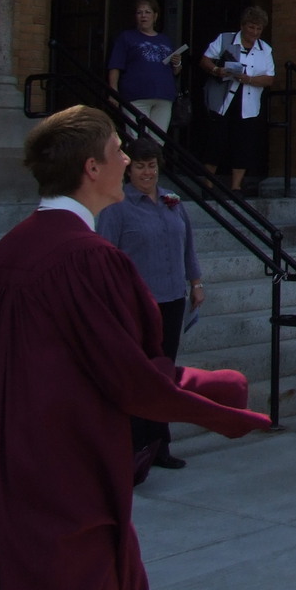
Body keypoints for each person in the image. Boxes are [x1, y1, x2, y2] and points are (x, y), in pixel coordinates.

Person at [0, 105, 271, 590]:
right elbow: (126, 374)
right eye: (119, 150)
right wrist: (214, 399)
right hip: (67, 484)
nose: (129, 160)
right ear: (91, 168)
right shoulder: (87, 260)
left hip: (12, 476)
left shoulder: (4, 256)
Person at [96, 136, 205, 470]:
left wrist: (195, 281)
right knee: (138, 375)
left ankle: (159, 445)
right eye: (141, 166)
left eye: (152, 165)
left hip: (172, 298)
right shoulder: (117, 207)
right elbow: (104, 255)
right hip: (137, 304)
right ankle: (132, 446)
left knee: (163, 375)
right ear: (129, 170)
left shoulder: (172, 202)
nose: (147, 172)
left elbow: (188, 244)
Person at [199, 6, 274, 194]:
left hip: (248, 101)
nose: (254, 33)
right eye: (251, 28)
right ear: (242, 26)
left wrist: (249, 79)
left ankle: (236, 186)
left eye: (258, 29)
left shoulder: (265, 49)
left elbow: (269, 78)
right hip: (223, 98)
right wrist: (217, 70)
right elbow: (205, 60)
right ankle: (207, 185)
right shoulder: (225, 39)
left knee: (243, 143)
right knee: (216, 140)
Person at [106, 0, 182, 136]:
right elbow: (115, 65)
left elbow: (175, 71)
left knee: (158, 140)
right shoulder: (127, 37)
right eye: (139, 12)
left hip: (163, 96)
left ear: (155, 16)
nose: (143, 16)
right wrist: (113, 92)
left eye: (147, 12)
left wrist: (177, 62)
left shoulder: (165, 39)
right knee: (137, 139)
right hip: (136, 96)